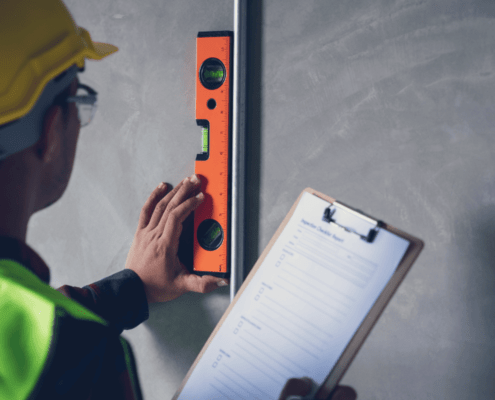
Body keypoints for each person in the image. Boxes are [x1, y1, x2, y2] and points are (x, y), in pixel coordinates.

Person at [0, 1, 356, 399]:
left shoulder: (60, 346)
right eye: (79, 103)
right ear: (52, 132)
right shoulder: (80, 357)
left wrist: (132, 288)